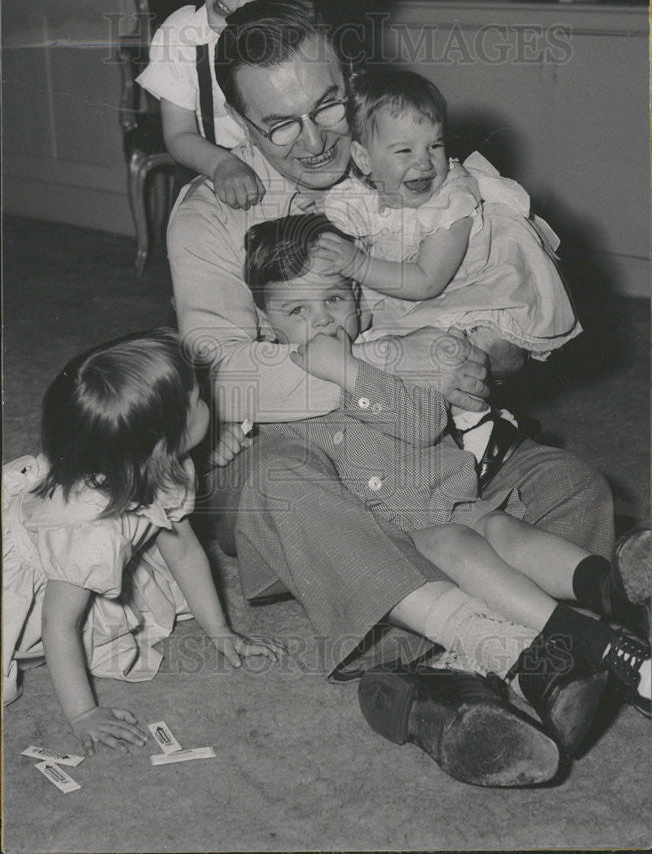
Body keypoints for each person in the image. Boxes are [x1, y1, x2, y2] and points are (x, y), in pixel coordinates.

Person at [166, 0, 617, 786]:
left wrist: (490, 352)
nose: (314, 141)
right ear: (239, 123)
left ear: (351, 77)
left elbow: (510, 323)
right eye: (279, 125)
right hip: (308, 463)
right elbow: (221, 373)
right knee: (278, 485)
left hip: (422, 456)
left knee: (568, 482)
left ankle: (434, 687)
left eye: (327, 105)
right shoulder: (207, 218)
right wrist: (391, 357)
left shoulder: (416, 164)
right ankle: (523, 645)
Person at [242, 211, 651, 748]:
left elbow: (422, 421)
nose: (322, 322)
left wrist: (351, 371)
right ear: (264, 320)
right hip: (391, 540)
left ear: (359, 303)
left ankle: (611, 588)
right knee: (458, 545)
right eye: (297, 310)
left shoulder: (381, 360)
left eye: (335, 301)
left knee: (509, 530)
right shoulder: (264, 379)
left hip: (452, 499)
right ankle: (588, 642)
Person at [2, 329, 283, 755]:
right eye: (197, 401)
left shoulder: (165, 465)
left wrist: (220, 630)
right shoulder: (91, 534)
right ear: (159, 445)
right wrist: (83, 715)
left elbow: (183, 546)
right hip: (36, 580)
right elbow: (58, 624)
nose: (208, 400)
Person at [316, 65, 582, 472]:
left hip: (467, 288)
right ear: (364, 159)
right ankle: (450, 433)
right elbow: (330, 230)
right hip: (402, 294)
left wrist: (357, 262)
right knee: (387, 352)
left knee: (456, 351)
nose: (424, 164)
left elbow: (427, 281)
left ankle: (481, 427)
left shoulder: (452, 197)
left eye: (434, 146)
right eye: (404, 151)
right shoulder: (354, 196)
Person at [137, 0, 344, 210]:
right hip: (214, 177)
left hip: (292, 178)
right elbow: (178, 135)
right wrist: (223, 166)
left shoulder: (302, 48)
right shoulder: (181, 33)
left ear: (289, 5)